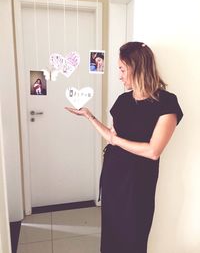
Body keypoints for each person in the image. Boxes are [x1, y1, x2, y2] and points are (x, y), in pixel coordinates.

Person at [65, 41, 183, 253]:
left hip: (139, 183)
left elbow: (153, 151)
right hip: (114, 176)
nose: (119, 75)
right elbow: (112, 136)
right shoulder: (122, 100)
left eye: (121, 69)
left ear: (136, 67)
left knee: (134, 236)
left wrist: (115, 141)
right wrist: (89, 116)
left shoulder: (167, 103)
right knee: (111, 232)